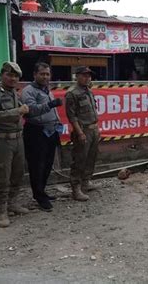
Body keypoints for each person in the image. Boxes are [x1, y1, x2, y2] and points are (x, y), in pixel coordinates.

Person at [0, 62, 29, 227]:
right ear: (2, 75)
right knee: (1, 176)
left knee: (17, 174)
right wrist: (17, 111)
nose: (12, 78)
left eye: (16, 76)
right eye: (9, 75)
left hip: (17, 139)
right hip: (2, 140)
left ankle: (12, 203)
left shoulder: (15, 94)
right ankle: (0, 211)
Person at [22, 62, 63, 212]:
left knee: (47, 163)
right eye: (42, 74)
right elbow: (30, 111)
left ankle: (42, 191)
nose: (45, 76)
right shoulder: (29, 91)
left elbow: (51, 111)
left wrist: (58, 122)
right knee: (36, 165)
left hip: (50, 131)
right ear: (34, 75)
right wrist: (51, 105)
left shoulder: (47, 90)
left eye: (47, 74)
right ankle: (39, 197)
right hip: (35, 132)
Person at [65, 66, 100, 201]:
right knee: (79, 159)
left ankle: (86, 182)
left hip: (93, 129)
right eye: (84, 75)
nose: (87, 78)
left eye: (89, 76)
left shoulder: (88, 91)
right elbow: (72, 116)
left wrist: (96, 129)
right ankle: (76, 188)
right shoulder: (72, 93)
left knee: (91, 157)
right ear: (77, 76)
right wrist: (79, 133)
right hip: (82, 130)